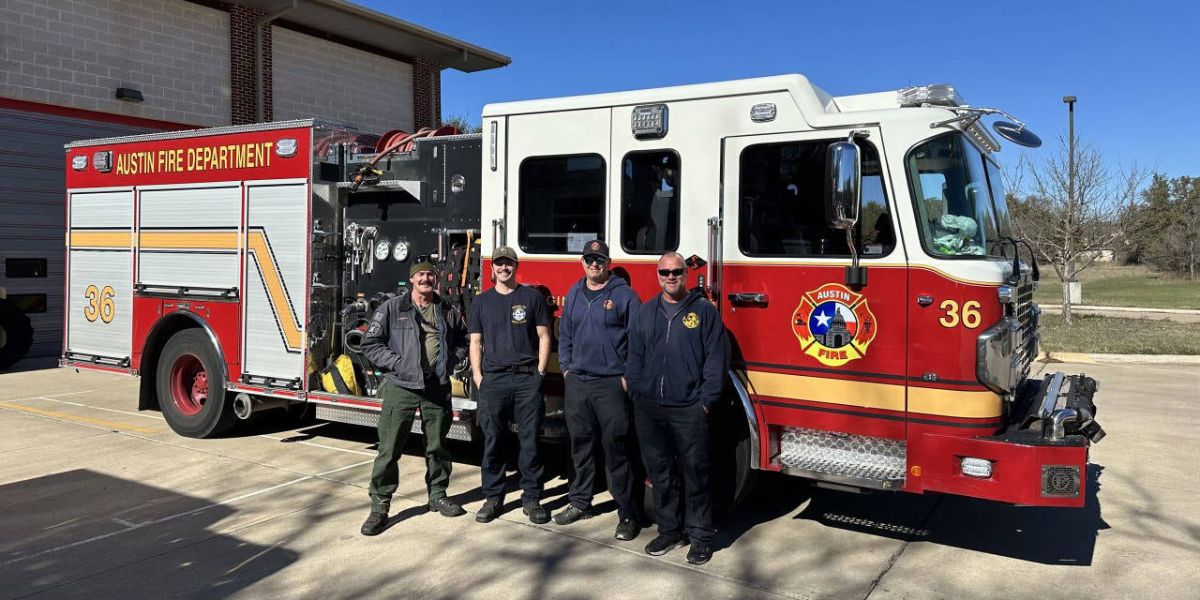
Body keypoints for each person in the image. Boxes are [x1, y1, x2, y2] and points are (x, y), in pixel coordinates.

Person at [625, 252, 729, 565]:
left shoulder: (703, 312)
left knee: (697, 472)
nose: (671, 277)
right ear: (657, 275)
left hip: (689, 408)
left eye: (676, 271)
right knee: (659, 472)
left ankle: (699, 537)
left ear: (685, 274)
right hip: (650, 408)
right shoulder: (645, 312)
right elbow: (634, 356)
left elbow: (716, 359)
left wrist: (706, 402)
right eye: (665, 272)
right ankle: (669, 530)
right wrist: (637, 391)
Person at [359, 261, 469, 536]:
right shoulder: (392, 308)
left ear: (436, 279)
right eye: (420, 275)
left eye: (430, 274)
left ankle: (438, 495)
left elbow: (463, 341)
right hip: (401, 387)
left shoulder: (447, 310)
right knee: (389, 448)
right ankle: (380, 506)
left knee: (438, 446)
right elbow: (370, 344)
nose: (425, 278)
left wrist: (451, 362)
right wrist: (397, 363)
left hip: (436, 386)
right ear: (411, 280)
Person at [553, 239, 642, 541]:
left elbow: (638, 340)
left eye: (600, 259)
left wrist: (627, 376)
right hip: (578, 381)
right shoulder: (574, 294)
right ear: (583, 262)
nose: (594, 264)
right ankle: (580, 502)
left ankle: (628, 512)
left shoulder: (625, 296)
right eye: (589, 259)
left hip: (610, 383)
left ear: (607, 263)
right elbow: (564, 333)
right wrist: (566, 367)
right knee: (580, 445)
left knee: (616, 447)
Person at [468, 246, 552, 524]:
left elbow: (544, 336)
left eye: (509, 264)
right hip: (494, 379)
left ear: (517, 267)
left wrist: (539, 372)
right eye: (500, 264)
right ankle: (493, 497)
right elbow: (475, 342)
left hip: (527, 378)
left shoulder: (532, 297)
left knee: (530, 441)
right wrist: (479, 377)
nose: (504, 268)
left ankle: (531, 497)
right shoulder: (481, 302)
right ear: (492, 269)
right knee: (493, 440)